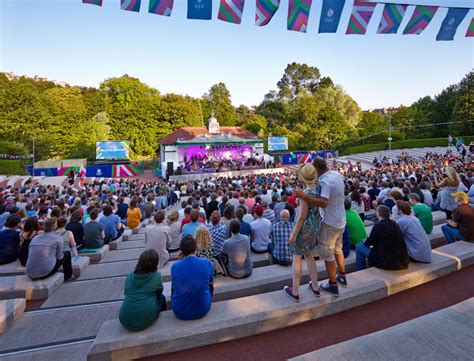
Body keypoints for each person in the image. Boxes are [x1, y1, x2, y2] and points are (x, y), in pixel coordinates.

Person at [295, 157, 347, 296]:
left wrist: (304, 196)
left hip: (330, 222)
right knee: (338, 249)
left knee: (327, 254)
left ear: (317, 169)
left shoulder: (325, 182)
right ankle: (342, 275)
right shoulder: (336, 174)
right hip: (340, 219)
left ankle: (333, 284)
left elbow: (324, 203)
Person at [284, 164, 322, 301]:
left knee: (297, 257)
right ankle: (316, 287)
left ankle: (295, 291)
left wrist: (294, 234)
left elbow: (302, 216)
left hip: (303, 229)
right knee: (309, 254)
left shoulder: (304, 195)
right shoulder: (319, 188)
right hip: (314, 227)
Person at [119, 249, 166, 332]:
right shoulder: (156, 276)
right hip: (146, 318)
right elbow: (159, 292)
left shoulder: (129, 276)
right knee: (162, 298)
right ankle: (163, 321)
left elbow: (126, 293)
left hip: (124, 319)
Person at [171, 235, 214, 320]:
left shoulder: (175, 266)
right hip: (202, 309)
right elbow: (211, 283)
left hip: (179, 311)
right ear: (195, 248)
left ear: (182, 251)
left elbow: (174, 287)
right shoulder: (207, 263)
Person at [355, 205, 409, 270]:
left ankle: (360, 270)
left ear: (378, 214)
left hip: (387, 262)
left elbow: (368, 243)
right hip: (402, 261)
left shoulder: (378, 226)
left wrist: (364, 240)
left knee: (359, 246)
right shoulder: (395, 224)